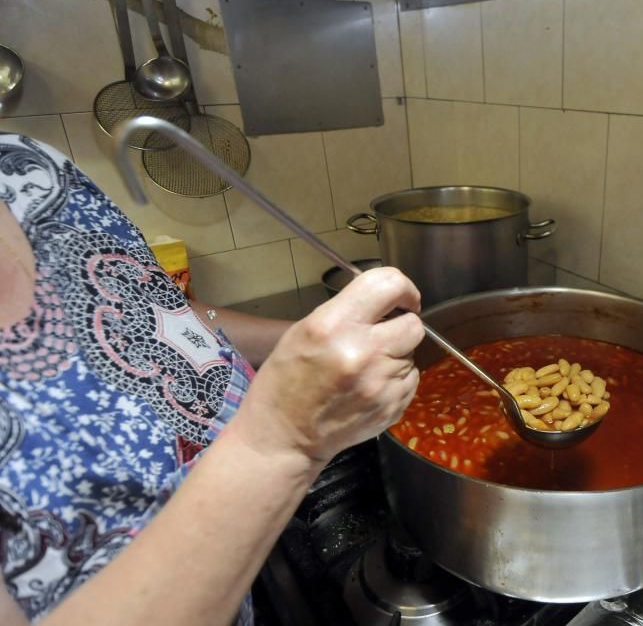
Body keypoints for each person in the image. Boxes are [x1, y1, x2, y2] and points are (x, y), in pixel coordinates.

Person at [0, 132, 425, 624]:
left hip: (246, 557)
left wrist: (301, 346)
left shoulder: (27, 164)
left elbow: (151, 308)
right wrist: (283, 443)